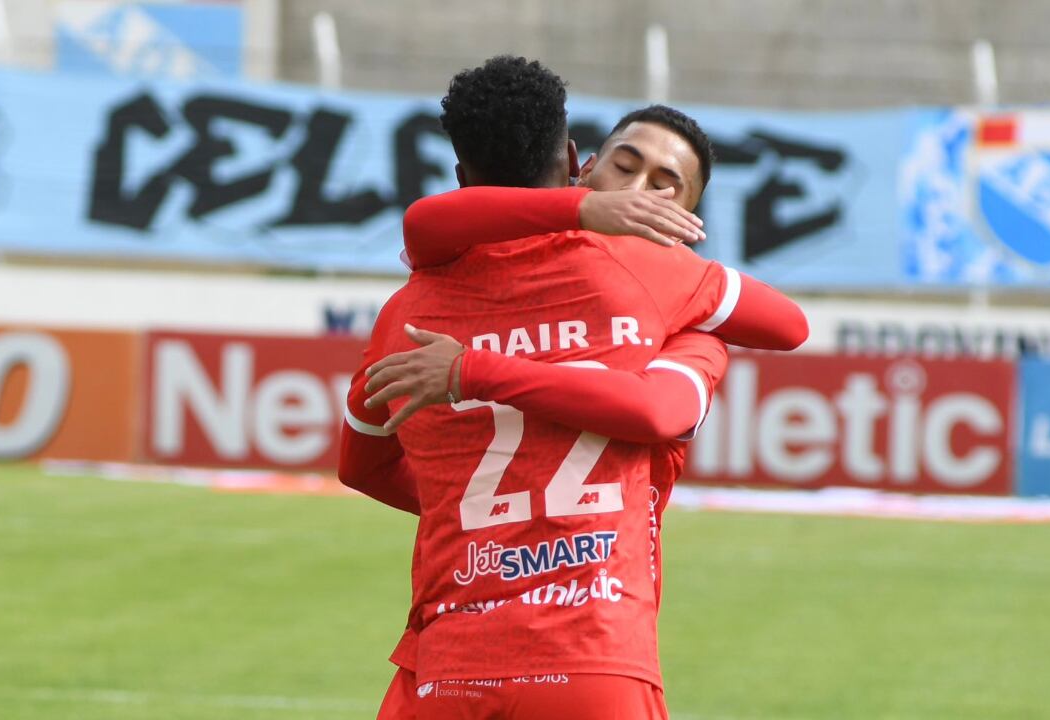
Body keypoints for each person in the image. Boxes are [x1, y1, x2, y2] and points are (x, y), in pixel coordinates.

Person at [338, 56, 805, 719]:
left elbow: (360, 466)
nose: (640, 193)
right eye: (628, 168)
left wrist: (467, 491)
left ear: (461, 176)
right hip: (593, 655)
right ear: (578, 159)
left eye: (666, 184)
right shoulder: (660, 284)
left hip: (452, 668)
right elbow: (787, 327)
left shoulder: (403, 317)